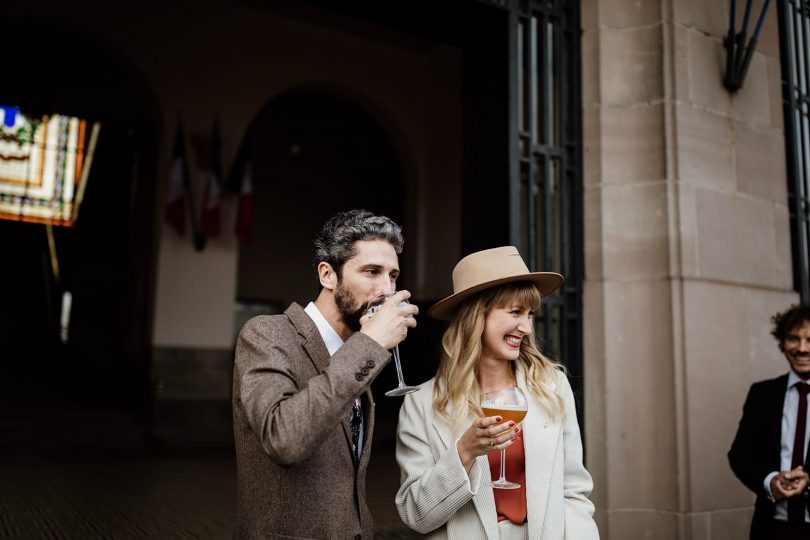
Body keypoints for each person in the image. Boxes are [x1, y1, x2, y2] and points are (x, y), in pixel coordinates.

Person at [232, 209, 419, 539]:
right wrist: (370, 343)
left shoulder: (355, 352)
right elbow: (283, 440)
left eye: (392, 276)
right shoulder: (266, 333)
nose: (387, 290)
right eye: (372, 271)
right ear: (327, 275)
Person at [395, 246, 599, 539]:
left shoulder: (551, 386)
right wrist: (464, 453)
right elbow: (416, 517)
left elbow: (575, 493)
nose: (527, 327)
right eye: (515, 312)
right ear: (476, 315)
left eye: (530, 314)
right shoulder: (421, 403)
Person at [729, 304, 810, 540]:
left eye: (809, 340)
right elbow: (740, 455)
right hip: (772, 529)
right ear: (783, 343)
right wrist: (770, 481)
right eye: (793, 338)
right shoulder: (762, 393)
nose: (802, 348)